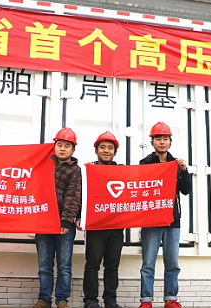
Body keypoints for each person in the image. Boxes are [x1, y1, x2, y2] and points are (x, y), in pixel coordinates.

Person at [137, 122, 191, 308]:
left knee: (172, 263)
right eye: (158, 138)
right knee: (148, 263)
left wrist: (184, 171)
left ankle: (171, 298)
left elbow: (185, 191)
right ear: (152, 141)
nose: (162, 142)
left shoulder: (176, 164)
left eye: (165, 138)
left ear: (170, 141)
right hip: (151, 220)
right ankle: (146, 301)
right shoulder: (145, 164)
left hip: (172, 220)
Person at [31, 128, 82, 308]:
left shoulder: (75, 170)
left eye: (67, 146)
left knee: (64, 266)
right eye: (59, 145)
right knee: (44, 266)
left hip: (64, 225)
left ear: (73, 149)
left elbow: (73, 196)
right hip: (43, 223)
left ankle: (62, 300)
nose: (62, 148)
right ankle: (44, 299)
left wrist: (66, 221)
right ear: (53, 147)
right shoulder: (43, 166)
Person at [81, 132, 123, 308]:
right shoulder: (87, 171)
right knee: (92, 265)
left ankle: (110, 300)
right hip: (95, 227)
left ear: (115, 152)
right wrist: (80, 216)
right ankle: (90, 300)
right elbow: (81, 195)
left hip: (116, 227)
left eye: (110, 148)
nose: (106, 151)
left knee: (112, 266)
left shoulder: (123, 172)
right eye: (103, 147)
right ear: (96, 150)